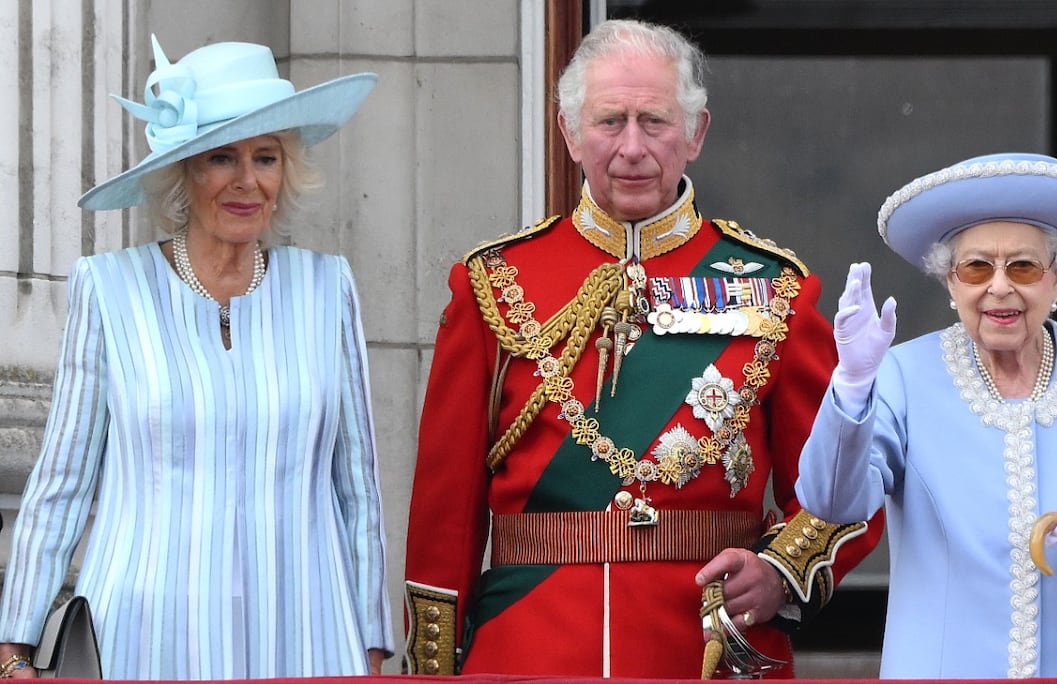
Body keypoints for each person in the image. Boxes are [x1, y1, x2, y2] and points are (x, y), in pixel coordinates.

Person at [402, 18, 882, 679]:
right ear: (570, 133)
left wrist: (779, 571)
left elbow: (846, 487)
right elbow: (443, 518)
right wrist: (433, 667)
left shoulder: (776, 290)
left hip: (706, 650)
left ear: (695, 134)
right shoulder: (493, 281)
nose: (632, 147)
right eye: (609, 122)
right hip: (528, 648)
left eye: (654, 121)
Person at [0, 36, 394, 679]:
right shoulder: (110, 289)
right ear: (184, 172)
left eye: (266, 157)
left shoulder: (328, 289)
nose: (247, 181)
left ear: (286, 170)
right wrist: (14, 648)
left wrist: (372, 642)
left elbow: (358, 488)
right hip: (144, 635)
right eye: (221, 158)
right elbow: (62, 482)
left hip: (306, 631)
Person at [796, 152, 1057, 678]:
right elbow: (832, 504)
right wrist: (852, 386)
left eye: (1024, 266)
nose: (999, 287)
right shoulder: (903, 376)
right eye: (976, 267)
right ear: (950, 282)